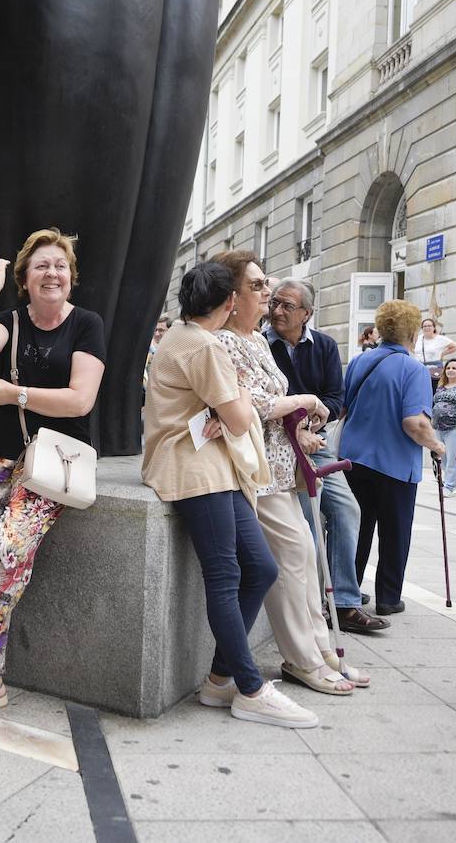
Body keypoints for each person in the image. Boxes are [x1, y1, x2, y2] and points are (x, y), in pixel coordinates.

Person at [0, 228, 106, 725]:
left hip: (53, 461)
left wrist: (18, 395)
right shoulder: (9, 319)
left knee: (7, 554)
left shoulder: (86, 324)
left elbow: (80, 400)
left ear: (71, 277)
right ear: (24, 279)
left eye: (60, 266)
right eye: (41, 266)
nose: (52, 273)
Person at [142, 262, 316, 728]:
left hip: (211, 469)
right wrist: (236, 397)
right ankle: (250, 688)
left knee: (260, 568)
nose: (259, 296)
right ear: (230, 302)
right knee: (227, 575)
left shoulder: (182, 335)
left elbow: (232, 415)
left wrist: (231, 407)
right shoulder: (205, 346)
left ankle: (220, 678)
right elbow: (241, 419)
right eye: (253, 290)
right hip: (195, 471)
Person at [212, 254, 366, 696]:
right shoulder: (224, 343)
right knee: (291, 559)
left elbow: (276, 403)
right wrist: (303, 402)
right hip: (253, 470)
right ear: (232, 295)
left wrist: (302, 425)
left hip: (283, 464)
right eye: (259, 287)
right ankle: (302, 658)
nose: (268, 296)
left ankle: (322, 653)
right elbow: (246, 405)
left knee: (306, 555)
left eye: (271, 289)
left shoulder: (256, 342)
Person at [267, 278, 389, 633]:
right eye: (274, 302)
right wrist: (295, 428)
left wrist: (310, 427)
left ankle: (345, 603)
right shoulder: (262, 344)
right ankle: (311, 603)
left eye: (287, 306)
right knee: (307, 518)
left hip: (316, 444)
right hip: (275, 444)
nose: (277, 311)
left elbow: (336, 398)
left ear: (307, 313)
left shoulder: (322, 346)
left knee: (346, 508)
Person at [340, 299, 443, 616]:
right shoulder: (414, 369)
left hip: (353, 460)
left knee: (357, 529)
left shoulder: (360, 361)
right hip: (395, 464)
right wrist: (438, 447)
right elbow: (414, 423)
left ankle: (349, 590)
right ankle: (388, 597)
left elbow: (343, 409)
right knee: (395, 532)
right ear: (413, 332)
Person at [433, 359, 456, 494]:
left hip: (455, 426)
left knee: (451, 458)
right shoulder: (441, 385)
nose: (450, 370)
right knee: (442, 457)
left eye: (454, 368)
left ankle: (448, 486)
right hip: (438, 426)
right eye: (448, 368)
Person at [413, 317, 456, 386]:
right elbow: (411, 347)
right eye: (424, 326)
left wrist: (443, 354)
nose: (427, 328)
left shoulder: (440, 339)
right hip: (419, 369)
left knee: (433, 389)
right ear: (422, 328)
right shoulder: (418, 338)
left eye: (429, 326)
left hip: (434, 369)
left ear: (434, 327)